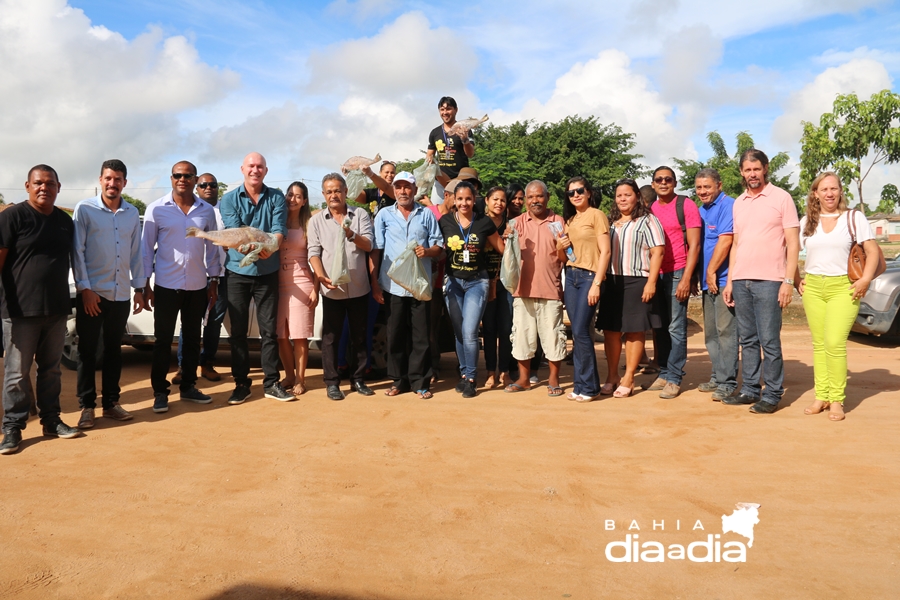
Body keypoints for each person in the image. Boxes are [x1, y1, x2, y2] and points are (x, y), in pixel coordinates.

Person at [0, 165, 81, 454]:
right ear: (27, 186)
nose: (44, 188)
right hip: (19, 310)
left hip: (57, 308)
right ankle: (12, 427)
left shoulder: (64, 221)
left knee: (51, 370)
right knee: (16, 373)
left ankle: (51, 420)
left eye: (50, 183)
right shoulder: (12, 217)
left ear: (59, 187)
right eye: (38, 183)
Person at [795, 172, 878, 421]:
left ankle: (837, 400)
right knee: (819, 345)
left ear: (841, 191)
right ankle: (822, 396)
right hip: (814, 288)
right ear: (815, 193)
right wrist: (797, 279)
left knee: (834, 343)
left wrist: (865, 280)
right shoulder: (807, 221)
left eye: (834, 188)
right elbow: (790, 251)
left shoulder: (854, 217)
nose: (829, 193)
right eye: (824, 189)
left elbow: (872, 251)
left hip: (844, 287)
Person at [723, 149, 800, 414]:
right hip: (741, 279)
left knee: (769, 340)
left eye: (756, 169)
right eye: (747, 170)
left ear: (765, 169)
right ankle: (750, 390)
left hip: (770, 281)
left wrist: (788, 281)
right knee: (748, 339)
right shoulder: (739, 201)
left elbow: (792, 243)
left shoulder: (782, 198)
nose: (752, 174)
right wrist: (731, 280)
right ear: (741, 172)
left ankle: (773, 394)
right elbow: (735, 244)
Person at [142, 161, 222, 414]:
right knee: (163, 341)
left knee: (191, 339)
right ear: (171, 178)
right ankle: (160, 392)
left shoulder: (206, 211)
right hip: (166, 285)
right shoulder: (156, 210)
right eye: (178, 175)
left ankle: (188, 386)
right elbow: (146, 250)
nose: (182, 179)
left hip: (198, 285)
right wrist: (144, 284)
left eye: (188, 176)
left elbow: (213, 247)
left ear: (195, 179)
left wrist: (214, 279)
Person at [72, 159, 145, 429]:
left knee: (115, 350)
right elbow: (77, 251)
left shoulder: (131, 213)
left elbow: (137, 252)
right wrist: (85, 289)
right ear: (100, 180)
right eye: (108, 178)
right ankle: (87, 407)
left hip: (120, 294)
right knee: (88, 351)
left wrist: (139, 288)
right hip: (93, 294)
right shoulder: (85, 209)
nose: (112, 183)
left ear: (124, 183)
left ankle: (111, 403)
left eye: (117, 179)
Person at [220, 152, 293, 404]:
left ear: (266, 170)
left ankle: (271, 383)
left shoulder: (276, 197)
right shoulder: (228, 199)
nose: (255, 170)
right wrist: (256, 248)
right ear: (242, 169)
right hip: (237, 272)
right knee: (237, 332)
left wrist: (270, 248)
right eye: (251, 166)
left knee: (268, 332)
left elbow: (279, 230)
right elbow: (237, 232)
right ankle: (241, 384)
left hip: (267, 271)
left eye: (259, 166)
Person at [371, 172, 443, 398]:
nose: (403, 191)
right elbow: (376, 249)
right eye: (399, 187)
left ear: (414, 189)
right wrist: (374, 282)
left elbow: (439, 247)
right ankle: (398, 381)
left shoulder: (427, 215)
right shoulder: (384, 215)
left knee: (421, 335)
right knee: (395, 334)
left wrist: (427, 251)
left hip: (419, 285)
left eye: (407, 187)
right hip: (393, 285)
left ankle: (420, 381)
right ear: (393, 190)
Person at [308, 173, 375, 401]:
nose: (333, 195)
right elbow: (313, 253)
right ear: (324, 195)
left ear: (346, 192)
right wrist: (320, 276)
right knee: (330, 338)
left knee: (359, 336)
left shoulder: (360, 215)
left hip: (358, 287)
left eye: (337, 190)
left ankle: (358, 379)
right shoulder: (316, 220)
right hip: (332, 287)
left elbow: (368, 244)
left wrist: (352, 235)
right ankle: (332, 382)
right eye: (329, 192)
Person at [596, 179, 665, 398]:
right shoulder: (610, 221)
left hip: (637, 280)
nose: (623, 199)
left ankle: (629, 377)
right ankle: (612, 376)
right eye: (619, 195)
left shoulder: (648, 220)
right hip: (612, 281)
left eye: (627, 194)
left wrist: (651, 282)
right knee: (611, 330)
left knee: (634, 330)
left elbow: (658, 252)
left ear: (636, 196)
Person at [439, 181, 504, 398]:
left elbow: (502, 248)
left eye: (468, 199)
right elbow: (438, 250)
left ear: (474, 198)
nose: (464, 203)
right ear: (453, 200)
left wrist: (514, 237)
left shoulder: (484, 222)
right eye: (460, 199)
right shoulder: (445, 222)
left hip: (478, 282)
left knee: (470, 331)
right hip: (454, 283)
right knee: (459, 332)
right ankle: (464, 375)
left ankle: (473, 379)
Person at [505, 181, 566, 396]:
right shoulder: (516, 223)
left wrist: (562, 248)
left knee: (553, 337)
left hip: (550, 289)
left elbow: (565, 257)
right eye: (530, 197)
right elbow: (508, 256)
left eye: (539, 196)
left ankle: (554, 380)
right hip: (522, 290)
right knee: (522, 336)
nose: (534, 201)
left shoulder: (558, 222)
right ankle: (523, 379)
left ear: (547, 197)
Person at [647, 166, 701, 399]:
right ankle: (665, 371)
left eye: (668, 179)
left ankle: (675, 377)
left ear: (675, 182)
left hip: (678, 270)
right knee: (659, 326)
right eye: (659, 179)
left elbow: (695, 245)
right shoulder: (650, 209)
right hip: (656, 274)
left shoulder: (685, 205)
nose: (663, 182)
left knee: (676, 327)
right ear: (653, 184)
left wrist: (687, 278)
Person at [556, 177, 611, 401]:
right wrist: (560, 247)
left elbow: (605, 252)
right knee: (577, 335)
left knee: (580, 331)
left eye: (580, 191)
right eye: (571, 193)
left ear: (588, 192)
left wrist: (597, 283)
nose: (576, 195)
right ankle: (581, 385)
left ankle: (589, 387)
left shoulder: (597, 215)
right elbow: (564, 257)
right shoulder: (569, 220)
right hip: (571, 275)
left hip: (589, 276)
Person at [174, 173, 226, 384]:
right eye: (203, 185)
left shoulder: (225, 210)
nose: (208, 188)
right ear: (197, 187)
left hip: (220, 275)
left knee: (213, 322)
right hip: (193, 274)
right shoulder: (189, 211)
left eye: (213, 184)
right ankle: (183, 367)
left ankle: (207, 363)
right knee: (189, 323)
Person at [695, 168, 738, 401]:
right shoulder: (701, 211)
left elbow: (726, 240)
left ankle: (728, 381)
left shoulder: (727, 205)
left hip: (723, 281)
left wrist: (711, 271)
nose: (703, 191)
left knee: (726, 332)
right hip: (706, 282)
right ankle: (717, 375)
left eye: (707, 187)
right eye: (699, 187)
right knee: (711, 334)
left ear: (719, 186)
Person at [277, 182, 318, 397]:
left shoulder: (310, 224)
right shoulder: (277, 221)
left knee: (299, 335)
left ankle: (301, 380)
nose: (293, 199)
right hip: (277, 283)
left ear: (304, 201)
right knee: (281, 335)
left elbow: (318, 258)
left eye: (298, 196)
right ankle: (289, 376)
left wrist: (316, 289)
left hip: (302, 282)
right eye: (290, 195)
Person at [481, 186, 515, 389]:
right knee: (489, 330)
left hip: (506, 283)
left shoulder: (510, 225)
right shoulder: (479, 223)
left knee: (506, 328)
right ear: (486, 200)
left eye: (502, 200)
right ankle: (490, 372)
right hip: (483, 281)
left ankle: (505, 371)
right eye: (495, 199)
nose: (499, 204)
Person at [427, 178, 459, 380]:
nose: (460, 203)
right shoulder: (429, 213)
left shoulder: (462, 217)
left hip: (456, 279)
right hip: (432, 280)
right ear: (446, 195)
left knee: (458, 324)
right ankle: (432, 367)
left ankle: (464, 367)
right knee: (430, 326)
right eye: (457, 198)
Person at [425, 96, 475, 203]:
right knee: (437, 214)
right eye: (442, 109)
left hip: (460, 180)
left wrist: (465, 139)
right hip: (440, 181)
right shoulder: (435, 133)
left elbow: (470, 154)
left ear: (456, 110)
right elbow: (430, 154)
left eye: (448, 109)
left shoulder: (465, 130)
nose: (445, 112)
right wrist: (429, 160)